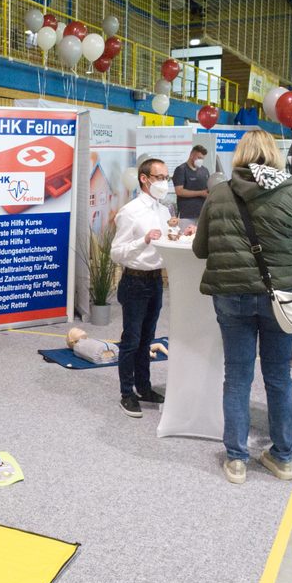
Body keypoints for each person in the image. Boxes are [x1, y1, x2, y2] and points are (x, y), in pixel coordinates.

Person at [192, 130, 292, 484]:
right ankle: (282, 457)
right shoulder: (289, 190)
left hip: (231, 297)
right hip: (280, 298)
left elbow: (200, 249)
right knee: (279, 377)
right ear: (273, 155)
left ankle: (236, 460)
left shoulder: (218, 193)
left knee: (237, 376)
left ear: (240, 155)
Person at [111, 158, 187, 418]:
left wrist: (183, 236)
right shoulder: (130, 212)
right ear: (144, 178)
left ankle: (144, 387)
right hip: (134, 280)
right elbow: (116, 253)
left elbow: (166, 242)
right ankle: (126, 393)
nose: (164, 182)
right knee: (131, 340)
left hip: (156, 281)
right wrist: (142, 241)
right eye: (159, 177)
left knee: (147, 339)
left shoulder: (164, 210)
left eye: (166, 177)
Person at [173, 145, 210, 224]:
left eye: (202, 158)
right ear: (191, 155)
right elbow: (179, 191)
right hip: (187, 215)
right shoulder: (181, 170)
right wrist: (200, 193)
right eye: (199, 157)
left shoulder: (205, 170)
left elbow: (208, 188)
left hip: (203, 213)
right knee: (186, 236)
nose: (200, 160)